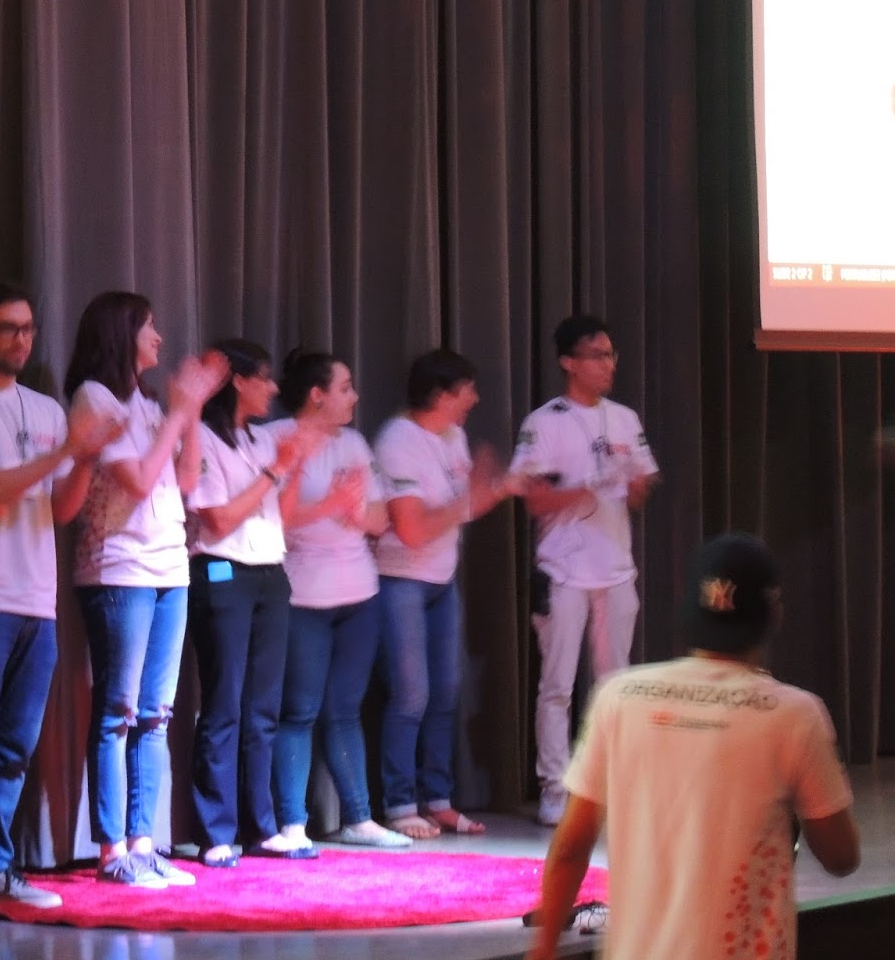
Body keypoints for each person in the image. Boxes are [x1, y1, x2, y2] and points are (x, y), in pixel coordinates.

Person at [515, 533, 861, 960]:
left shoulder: (620, 697)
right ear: (772, 614)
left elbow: (570, 846)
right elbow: (842, 856)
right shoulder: (795, 715)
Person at [0, 281, 119, 922]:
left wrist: (84, 460)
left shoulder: (45, 409)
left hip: (38, 599)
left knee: (13, 749)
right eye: (7, 328)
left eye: (29, 328)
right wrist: (66, 451)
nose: (21, 339)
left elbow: (61, 508)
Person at [65, 290, 227, 888]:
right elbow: (135, 480)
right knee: (118, 711)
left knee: (157, 714)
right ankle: (113, 851)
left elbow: (186, 480)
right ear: (120, 333)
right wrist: (178, 415)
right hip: (120, 569)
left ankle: (143, 842)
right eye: (149, 326)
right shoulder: (96, 398)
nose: (159, 337)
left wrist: (190, 413)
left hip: (168, 569)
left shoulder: (151, 404)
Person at [510, 314, 659, 826]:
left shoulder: (624, 418)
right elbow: (533, 500)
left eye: (611, 355)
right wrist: (588, 485)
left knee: (614, 687)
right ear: (569, 362)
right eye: (598, 356)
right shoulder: (544, 422)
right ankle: (554, 788)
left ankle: (606, 784)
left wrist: (632, 480)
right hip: (564, 570)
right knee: (557, 686)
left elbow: (640, 491)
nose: (608, 364)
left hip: (615, 570)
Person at [374, 348, 520, 839]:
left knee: (445, 692)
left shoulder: (454, 436)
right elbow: (412, 530)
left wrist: (499, 487)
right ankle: (399, 804)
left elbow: (463, 507)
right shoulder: (398, 441)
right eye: (466, 391)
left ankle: (437, 800)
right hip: (401, 579)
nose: (474, 399)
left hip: (441, 580)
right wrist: (474, 497)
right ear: (440, 395)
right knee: (410, 694)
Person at [266, 348, 406, 856]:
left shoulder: (353, 443)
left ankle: (359, 818)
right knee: (298, 711)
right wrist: (332, 505)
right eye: (345, 388)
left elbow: (379, 519)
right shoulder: (276, 438)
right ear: (316, 394)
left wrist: (353, 512)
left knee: (344, 710)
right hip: (304, 594)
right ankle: (292, 824)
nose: (355, 397)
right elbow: (274, 520)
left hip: (359, 595)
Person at [186, 341, 315, 869]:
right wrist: (273, 471)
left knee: (264, 708)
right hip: (223, 571)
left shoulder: (261, 439)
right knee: (224, 704)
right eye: (264, 377)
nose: (274, 388)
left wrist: (294, 467)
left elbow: (280, 514)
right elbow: (217, 519)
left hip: (269, 572)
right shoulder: (203, 437)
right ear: (238, 381)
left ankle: (260, 826)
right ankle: (216, 831)